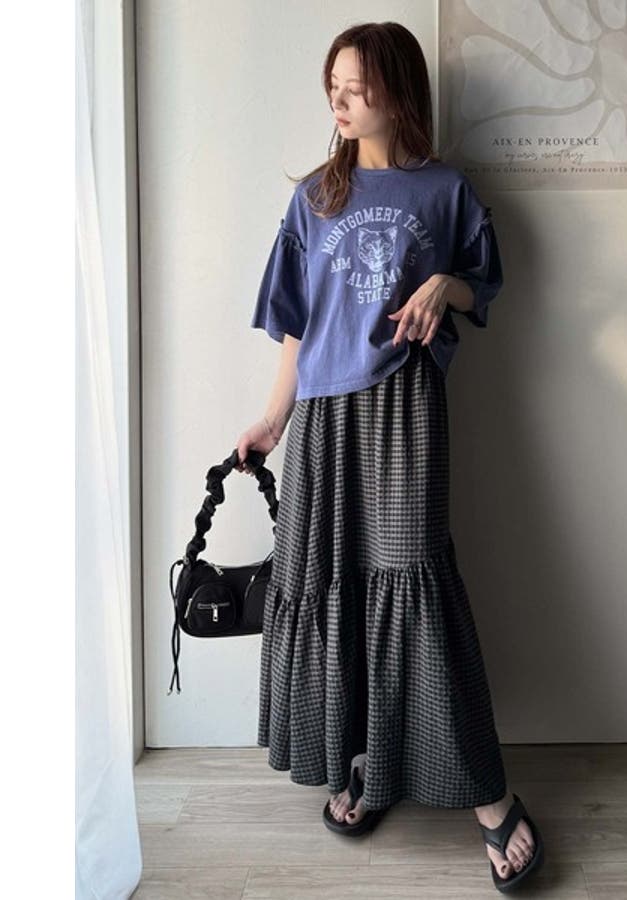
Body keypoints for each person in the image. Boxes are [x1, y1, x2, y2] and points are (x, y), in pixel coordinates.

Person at [235, 22, 544, 891]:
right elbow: (297, 328)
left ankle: (489, 799)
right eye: (332, 85)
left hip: (405, 408)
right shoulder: (315, 197)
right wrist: (271, 422)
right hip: (324, 419)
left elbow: (484, 284)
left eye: (356, 85)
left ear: (398, 90)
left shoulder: (446, 191)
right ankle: (362, 761)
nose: (338, 99)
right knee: (333, 583)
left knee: (414, 586)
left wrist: (447, 283)